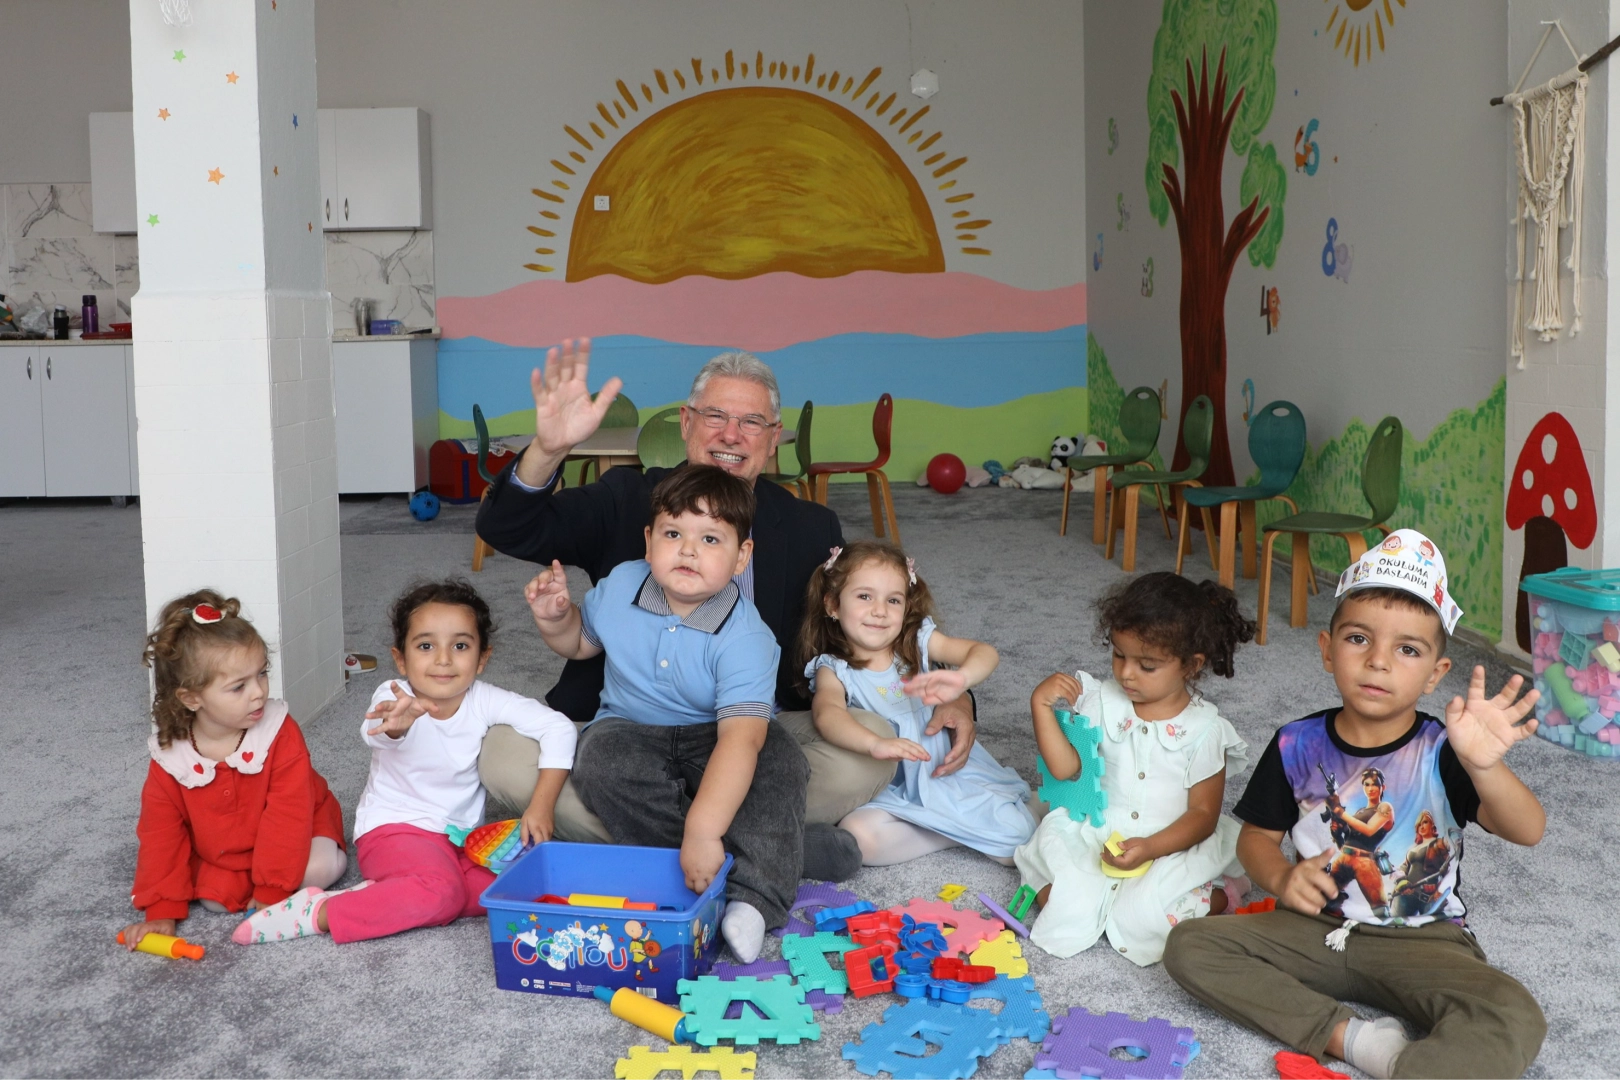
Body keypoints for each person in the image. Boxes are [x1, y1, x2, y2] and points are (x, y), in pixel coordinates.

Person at [473, 339, 979, 874]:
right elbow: (507, 527)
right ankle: (763, 848)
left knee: (873, 743)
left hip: (752, 736)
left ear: (774, 439)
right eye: (715, 415)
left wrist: (957, 697)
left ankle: (664, 840)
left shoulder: (810, 527)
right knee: (501, 754)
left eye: (751, 422)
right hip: (626, 737)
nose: (731, 435)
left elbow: (874, 622)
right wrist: (548, 449)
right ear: (686, 423)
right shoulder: (626, 498)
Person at [1162, 529, 1548, 1080]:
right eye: (1359, 638)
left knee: (1513, 1012)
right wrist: (1281, 879)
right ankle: (1358, 1041)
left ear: (1436, 674)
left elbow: (1528, 829)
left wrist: (1485, 767)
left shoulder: (1442, 749)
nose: (1378, 661)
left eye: (1408, 649)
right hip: (1314, 926)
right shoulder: (1295, 742)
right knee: (1190, 946)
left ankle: (1416, 1070)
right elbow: (1257, 838)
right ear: (1327, 649)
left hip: (1422, 936)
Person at [525, 466, 803, 963]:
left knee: (780, 758)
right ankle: (722, 863)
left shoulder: (747, 636)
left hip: (717, 734)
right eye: (673, 534)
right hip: (630, 729)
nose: (688, 550)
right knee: (599, 758)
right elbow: (581, 644)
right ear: (649, 541)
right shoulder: (621, 585)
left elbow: (741, 740)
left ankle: (754, 898)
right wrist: (556, 619)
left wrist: (704, 830)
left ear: (742, 557)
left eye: (710, 539)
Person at [232, 580, 575, 945]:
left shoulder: (486, 699)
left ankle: (395, 892)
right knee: (444, 893)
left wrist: (541, 806)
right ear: (400, 659)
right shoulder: (395, 695)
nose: (443, 659)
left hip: (458, 841)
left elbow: (559, 728)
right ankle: (321, 911)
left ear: (482, 659)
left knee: (522, 885)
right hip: (393, 831)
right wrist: (396, 725)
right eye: (426, 646)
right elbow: (376, 731)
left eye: (460, 646)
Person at [1014, 572, 1254, 966]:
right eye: (1118, 655)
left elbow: (1203, 815)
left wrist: (1151, 847)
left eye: (1147, 665)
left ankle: (1225, 891)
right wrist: (1040, 705)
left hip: (1169, 843)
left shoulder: (1207, 730)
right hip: (1097, 832)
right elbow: (1064, 768)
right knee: (1064, 907)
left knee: (1143, 920)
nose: (1126, 673)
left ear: (1191, 666)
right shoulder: (1102, 701)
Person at [122, 591, 346, 950]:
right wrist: (161, 908)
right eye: (238, 686)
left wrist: (272, 891)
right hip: (225, 848)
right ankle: (252, 878)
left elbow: (289, 814)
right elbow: (161, 832)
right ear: (191, 698)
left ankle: (270, 878)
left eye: (262, 674)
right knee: (214, 899)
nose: (258, 693)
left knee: (319, 868)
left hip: (299, 829)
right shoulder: (171, 757)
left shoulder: (279, 731)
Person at [799, 540, 1035, 865]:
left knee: (1016, 840)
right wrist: (874, 744)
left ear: (906, 607)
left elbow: (984, 652)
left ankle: (985, 822)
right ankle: (958, 832)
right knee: (859, 835)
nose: (880, 610)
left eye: (893, 600)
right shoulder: (833, 668)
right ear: (832, 605)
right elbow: (828, 715)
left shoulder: (917, 642)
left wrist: (961, 679)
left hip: (943, 771)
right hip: (893, 786)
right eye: (864, 596)